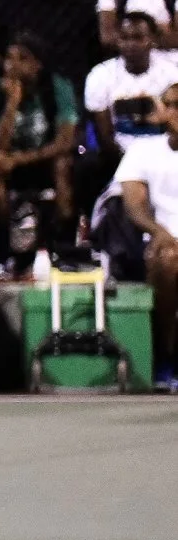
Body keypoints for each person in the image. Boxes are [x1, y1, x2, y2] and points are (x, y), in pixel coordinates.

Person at [0, 33, 79, 262]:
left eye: (23, 58)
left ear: (38, 64)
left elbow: (65, 141)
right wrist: (12, 103)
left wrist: (18, 159)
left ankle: (63, 245)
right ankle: (0, 252)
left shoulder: (58, 87)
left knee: (65, 163)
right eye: (9, 58)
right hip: (6, 164)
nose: (13, 65)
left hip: (42, 161)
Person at [114, 81, 178, 390]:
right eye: (171, 104)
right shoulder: (143, 152)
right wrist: (159, 231)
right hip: (164, 241)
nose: (175, 111)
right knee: (166, 259)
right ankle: (168, 356)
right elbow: (135, 208)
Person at [87, 9, 178, 155]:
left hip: (169, 153)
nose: (130, 44)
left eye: (138, 38)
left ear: (152, 39)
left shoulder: (172, 73)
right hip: (122, 156)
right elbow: (105, 136)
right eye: (125, 38)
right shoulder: (100, 75)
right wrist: (130, 163)